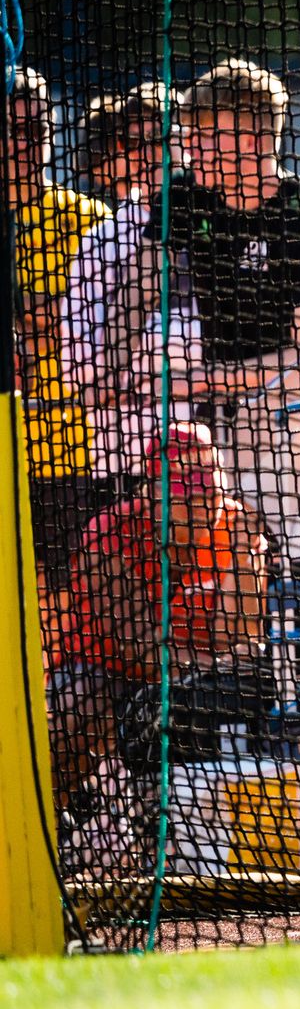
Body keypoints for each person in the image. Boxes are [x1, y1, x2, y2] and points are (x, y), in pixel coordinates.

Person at [45, 423, 271, 819]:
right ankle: (48, 815)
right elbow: (141, 650)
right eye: (188, 500)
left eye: (211, 497)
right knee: (78, 703)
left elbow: (242, 636)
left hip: (202, 679)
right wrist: (207, 660)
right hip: (111, 678)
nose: (203, 513)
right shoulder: (110, 533)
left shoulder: (236, 527)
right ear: (154, 495)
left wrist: (242, 557)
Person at [140, 59, 300, 403]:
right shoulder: (184, 195)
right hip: (212, 410)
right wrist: (110, 373)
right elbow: (136, 292)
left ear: (249, 142)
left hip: (291, 411)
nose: (189, 147)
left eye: (204, 135)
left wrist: (205, 379)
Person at [61, 84, 196, 521]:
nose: (148, 153)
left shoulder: (222, 220)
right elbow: (78, 365)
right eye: (134, 142)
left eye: (161, 139)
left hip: (212, 452)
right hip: (126, 459)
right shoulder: (102, 240)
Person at [7, 67, 112, 619]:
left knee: (71, 611)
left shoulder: (88, 220)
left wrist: (35, 316)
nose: (25, 143)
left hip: (72, 452)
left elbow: (93, 322)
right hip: (9, 452)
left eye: (36, 130)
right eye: (13, 129)